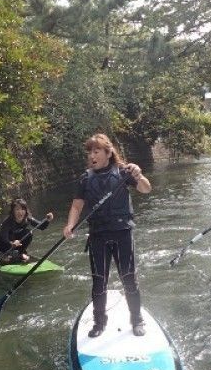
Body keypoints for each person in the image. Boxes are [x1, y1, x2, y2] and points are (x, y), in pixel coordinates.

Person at [63, 133, 152, 338]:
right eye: (90, 152)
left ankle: (137, 320)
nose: (92, 156)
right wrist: (69, 225)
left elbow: (146, 189)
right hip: (98, 236)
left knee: (129, 278)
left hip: (122, 233)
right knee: (99, 281)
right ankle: (99, 322)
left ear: (108, 152)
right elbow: (77, 206)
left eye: (96, 151)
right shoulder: (85, 178)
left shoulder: (123, 172)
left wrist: (138, 175)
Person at [0, 198, 54, 264]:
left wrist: (47, 220)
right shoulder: (8, 222)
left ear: (26, 210)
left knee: (28, 233)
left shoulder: (27, 218)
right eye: (17, 209)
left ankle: (20, 253)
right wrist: (12, 243)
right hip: (2, 244)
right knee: (8, 239)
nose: (20, 212)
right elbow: (4, 237)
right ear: (13, 211)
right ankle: (5, 255)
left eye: (23, 209)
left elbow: (41, 227)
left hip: (15, 242)